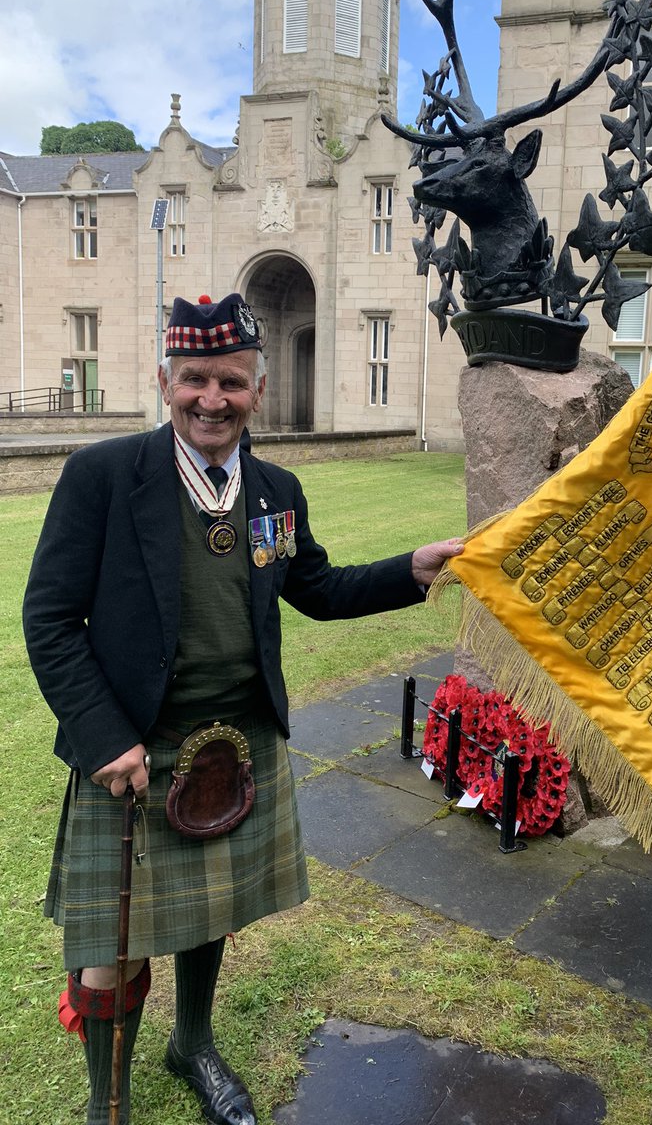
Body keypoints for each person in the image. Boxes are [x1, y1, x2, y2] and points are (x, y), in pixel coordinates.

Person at [23, 292, 463, 1125]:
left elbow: (318, 589)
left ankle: (193, 1042)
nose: (211, 399)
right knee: (108, 950)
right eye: (194, 379)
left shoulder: (274, 489)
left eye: (230, 380)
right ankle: (102, 1101)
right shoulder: (105, 477)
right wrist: (103, 737)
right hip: (135, 751)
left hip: (239, 739)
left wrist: (413, 567)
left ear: (257, 388)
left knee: (209, 913)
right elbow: (48, 618)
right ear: (165, 380)